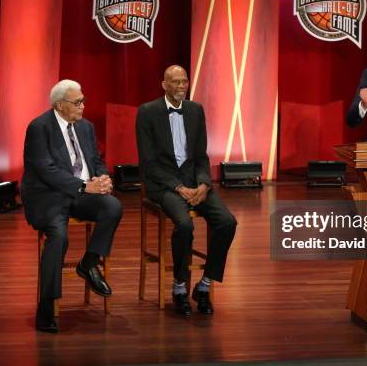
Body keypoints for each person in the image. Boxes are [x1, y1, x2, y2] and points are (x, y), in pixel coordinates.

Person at [21, 79, 123, 333]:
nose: (83, 106)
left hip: (81, 193)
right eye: (77, 102)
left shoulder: (86, 127)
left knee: (112, 207)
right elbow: (46, 170)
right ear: (59, 105)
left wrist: (102, 178)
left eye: (83, 100)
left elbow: (95, 160)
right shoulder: (39, 127)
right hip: (49, 195)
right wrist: (82, 186)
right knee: (59, 237)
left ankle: (88, 263)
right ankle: (46, 306)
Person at [135, 65, 236, 316]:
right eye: (176, 82)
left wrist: (203, 183)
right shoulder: (147, 112)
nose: (181, 86)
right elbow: (148, 164)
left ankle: (204, 285)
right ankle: (179, 287)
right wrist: (178, 187)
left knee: (227, 222)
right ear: (164, 85)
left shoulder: (195, 110)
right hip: (164, 185)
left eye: (184, 82)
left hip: (194, 182)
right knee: (184, 226)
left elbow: (201, 156)